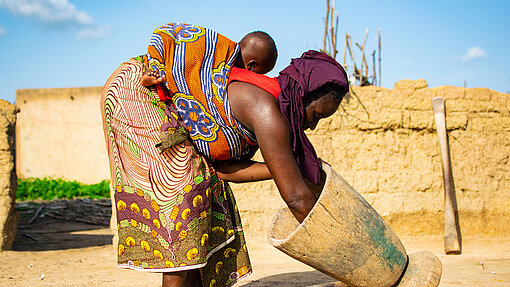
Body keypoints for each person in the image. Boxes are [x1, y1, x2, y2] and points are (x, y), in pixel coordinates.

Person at [101, 22, 348, 287]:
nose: (312, 125)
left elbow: (222, 169)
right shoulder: (267, 111)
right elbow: (297, 198)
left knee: (210, 190)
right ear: (303, 95)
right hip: (136, 91)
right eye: (317, 115)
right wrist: (348, 254)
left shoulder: (262, 101)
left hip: (141, 90)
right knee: (189, 189)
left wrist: (282, 169)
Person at [140, 30, 277, 87]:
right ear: (251, 65)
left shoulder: (218, 45)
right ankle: (151, 71)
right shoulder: (219, 49)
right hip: (169, 59)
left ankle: (152, 70)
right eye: (259, 73)